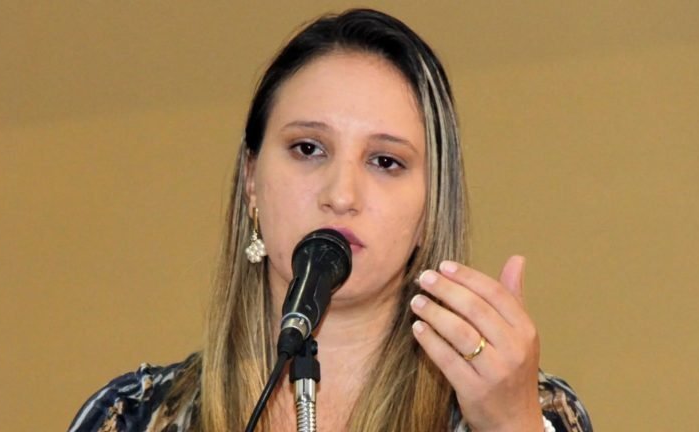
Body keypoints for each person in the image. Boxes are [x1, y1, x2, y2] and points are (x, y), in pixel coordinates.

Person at [68, 8, 592, 432]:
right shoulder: (130, 417)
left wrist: (510, 426)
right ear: (251, 180)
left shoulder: (530, 414)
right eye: (308, 148)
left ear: (430, 206)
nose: (341, 196)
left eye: (385, 161)